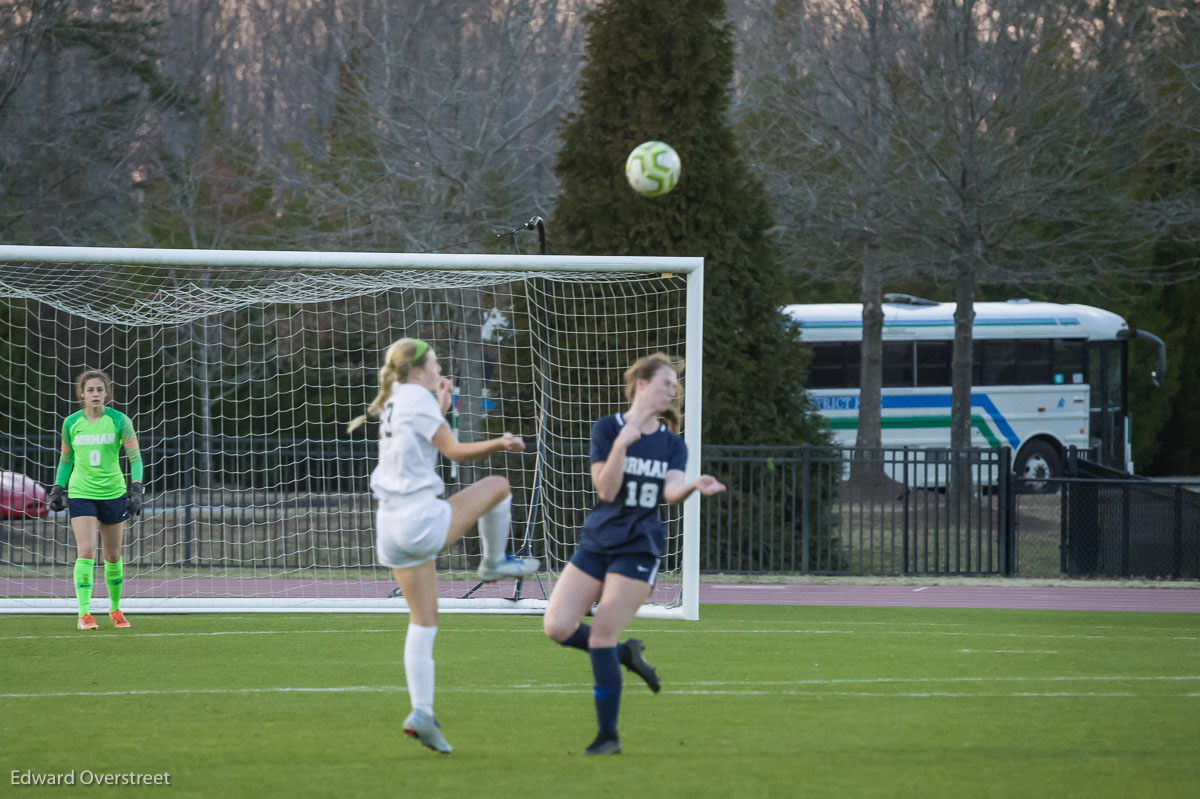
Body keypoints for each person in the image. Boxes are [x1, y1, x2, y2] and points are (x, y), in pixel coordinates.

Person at [347, 337, 539, 755]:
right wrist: (500, 443)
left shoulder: (400, 398)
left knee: (424, 622)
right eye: (434, 363)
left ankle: (422, 714)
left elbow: (424, 434)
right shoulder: (416, 396)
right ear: (418, 370)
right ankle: (493, 563)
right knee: (499, 486)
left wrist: (442, 408)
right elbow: (453, 450)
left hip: (390, 528)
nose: (439, 369)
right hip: (419, 520)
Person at [542, 353, 725, 755]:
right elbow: (605, 491)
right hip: (598, 541)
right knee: (556, 626)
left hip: (638, 546)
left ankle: (608, 737)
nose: (672, 390)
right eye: (666, 383)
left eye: (674, 386)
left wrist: (694, 485)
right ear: (642, 384)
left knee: (602, 632)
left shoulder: (672, 443)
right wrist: (622, 446)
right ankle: (626, 655)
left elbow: (670, 491)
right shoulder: (608, 428)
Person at [47, 369, 144, 631]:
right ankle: (84, 613)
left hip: (113, 493)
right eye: (90, 390)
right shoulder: (71, 423)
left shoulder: (119, 420)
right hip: (81, 493)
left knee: (112, 556)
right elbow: (66, 459)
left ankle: (115, 609)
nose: (95, 394)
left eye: (100, 390)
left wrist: (136, 488)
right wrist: (58, 487)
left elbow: (135, 457)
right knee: (86, 550)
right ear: (82, 394)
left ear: (106, 393)